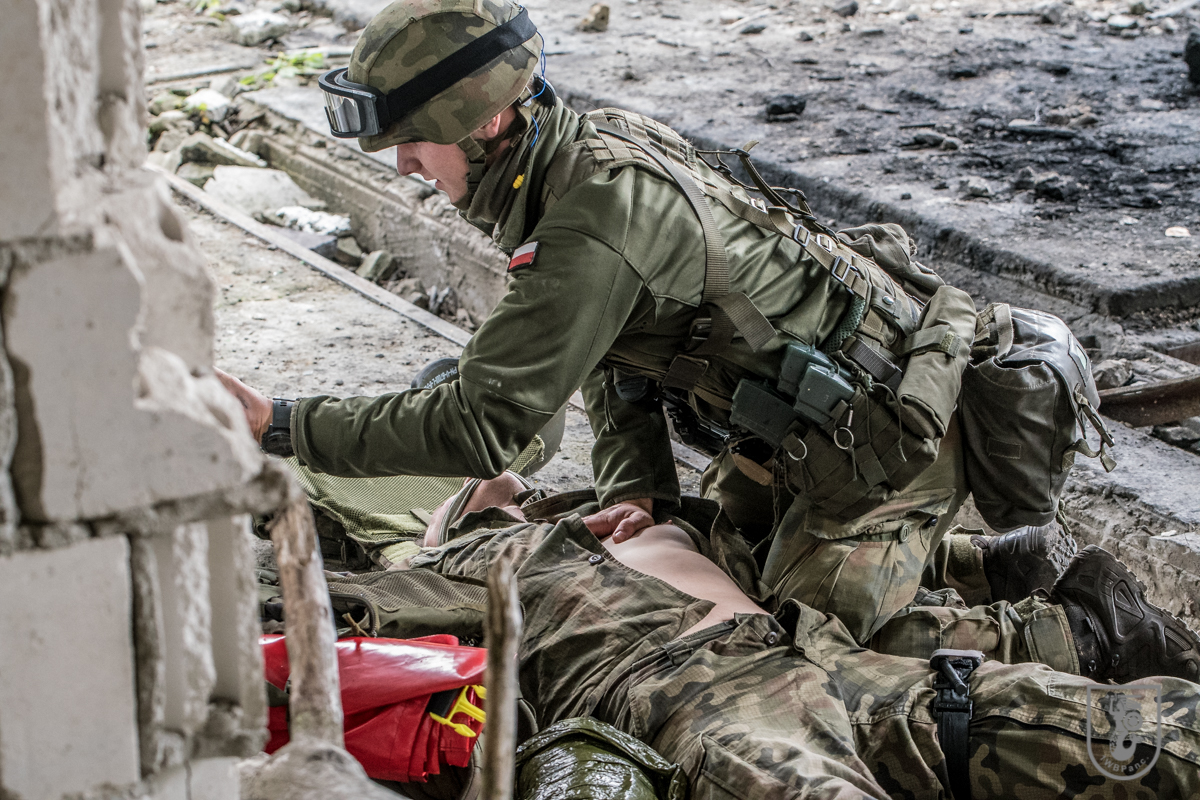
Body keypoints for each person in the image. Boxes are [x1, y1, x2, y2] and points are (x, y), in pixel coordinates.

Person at [215, 0, 1161, 676]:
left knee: (794, 652)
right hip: (796, 431)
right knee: (701, 556)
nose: (409, 166)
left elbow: (480, 427)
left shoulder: (592, 217)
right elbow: (618, 365)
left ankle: (1085, 628)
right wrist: (641, 496)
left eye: (414, 142)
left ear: (487, 120)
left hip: (890, 443)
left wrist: (282, 423)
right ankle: (997, 567)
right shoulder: (572, 157)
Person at [384, 478, 1200, 800]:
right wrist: (443, 541)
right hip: (702, 708)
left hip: (818, 657)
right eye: (498, 495)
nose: (523, 489)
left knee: (1126, 738)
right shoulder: (455, 572)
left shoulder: (639, 523)